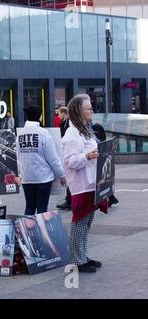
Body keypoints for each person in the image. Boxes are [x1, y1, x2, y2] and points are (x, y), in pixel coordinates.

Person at [62, 94, 108, 273]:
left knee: (86, 223)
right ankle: (76, 260)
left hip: (91, 183)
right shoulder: (71, 134)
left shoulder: (85, 131)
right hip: (81, 185)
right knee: (79, 223)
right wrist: (86, 156)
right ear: (79, 112)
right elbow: (70, 161)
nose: (92, 111)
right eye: (89, 108)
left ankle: (83, 256)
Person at [17, 106, 66, 215]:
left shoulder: (20, 134)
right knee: (42, 209)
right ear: (39, 116)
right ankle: (41, 231)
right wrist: (61, 174)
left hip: (27, 177)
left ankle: (27, 231)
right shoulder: (43, 133)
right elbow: (52, 158)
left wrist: (19, 173)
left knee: (29, 208)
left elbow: (18, 156)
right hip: (43, 177)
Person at [91, 122, 119, 207]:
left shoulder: (94, 127)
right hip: (101, 154)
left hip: (99, 155)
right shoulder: (96, 127)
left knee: (101, 180)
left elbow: (99, 140)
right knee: (103, 180)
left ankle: (109, 199)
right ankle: (112, 198)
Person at [56, 106, 72, 210]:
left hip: (68, 153)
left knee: (69, 177)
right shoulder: (66, 122)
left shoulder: (68, 123)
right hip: (67, 152)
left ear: (63, 113)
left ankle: (69, 201)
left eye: (59, 113)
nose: (58, 116)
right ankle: (69, 200)